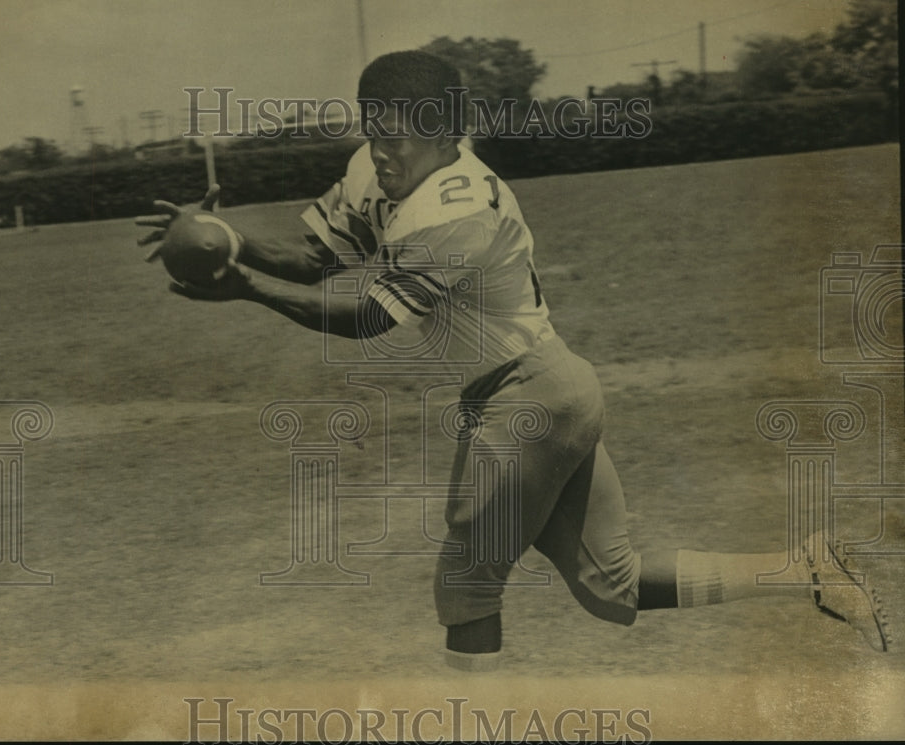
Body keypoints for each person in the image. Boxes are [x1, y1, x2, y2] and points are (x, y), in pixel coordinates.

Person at [136, 51, 892, 668]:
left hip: (529, 397)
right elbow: (316, 254)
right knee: (610, 585)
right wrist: (229, 242)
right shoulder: (378, 169)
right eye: (374, 129)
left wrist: (245, 291)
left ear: (448, 132)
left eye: (400, 133)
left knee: (466, 585)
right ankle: (807, 569)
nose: (383, 148)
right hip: (546, 390)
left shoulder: (460, 207)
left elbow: (368, 314)